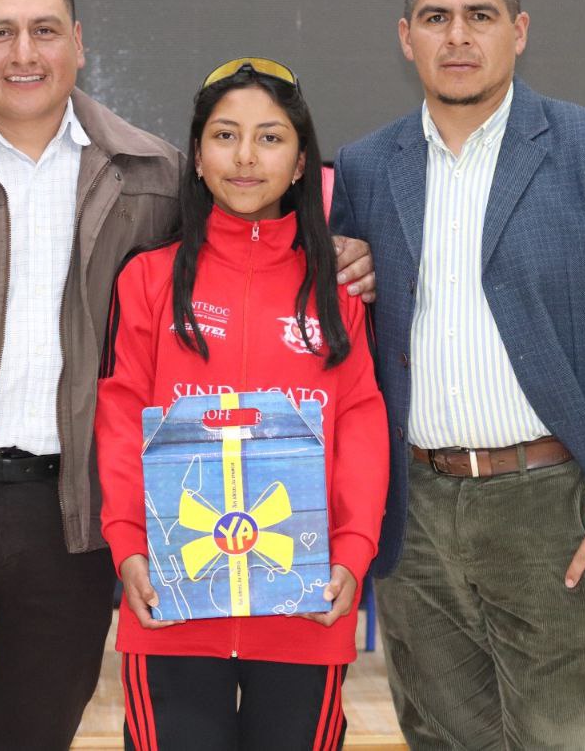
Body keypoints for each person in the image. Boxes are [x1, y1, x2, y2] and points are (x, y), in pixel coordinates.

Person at [0, 0, 376, 749]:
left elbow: (243, 251)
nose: (24, 53)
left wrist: (336, 254)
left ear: (78, 42)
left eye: (45, 30)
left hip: (70, 528)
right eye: (0, 32)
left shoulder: (149, 173)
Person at [331, 0, 585, 749]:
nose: (457, 36)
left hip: (548, 504)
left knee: (559, 737)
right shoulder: (366, 165)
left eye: (480, 16)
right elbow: (357, 323)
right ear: (406, 37)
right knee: (441, 733)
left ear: (518, 30)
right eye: (436, 18)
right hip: (414, 508)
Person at [95, 58, 389, 750]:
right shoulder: (147, 280)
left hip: (304, 608)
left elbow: (361, 421)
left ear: (301, 162)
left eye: (270, 137)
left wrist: (352, 551)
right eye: (225, 136)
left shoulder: (340, 286)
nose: (247, 157)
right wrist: (128, 544)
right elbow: (120, 419)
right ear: (197, 158)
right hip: (172, 603)